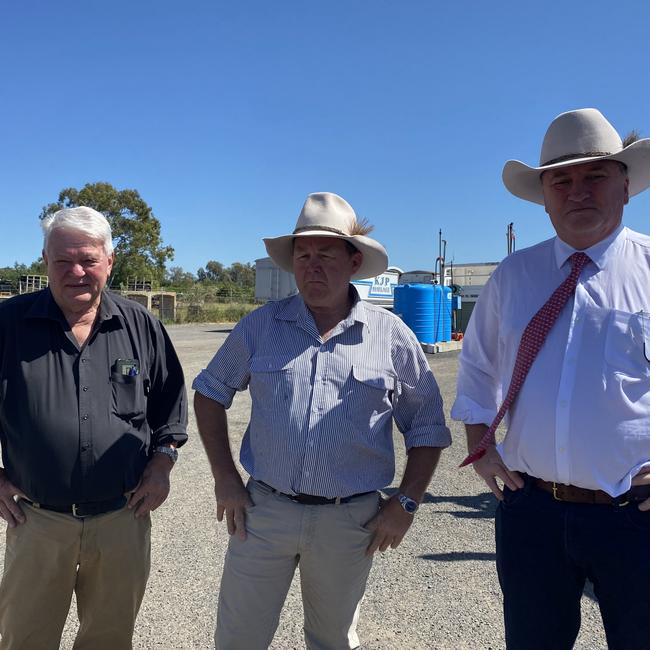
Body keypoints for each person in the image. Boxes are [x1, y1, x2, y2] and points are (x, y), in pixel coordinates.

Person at [193, 191, 451, 650]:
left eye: (325, 254)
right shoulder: (260, 326)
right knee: (238, 638)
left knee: (333, 640)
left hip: (348, 519)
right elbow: (210, 393)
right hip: (263, 512)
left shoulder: (390, 336)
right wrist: (225, 478)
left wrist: (406, 503)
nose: (312, 266)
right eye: (303, 254)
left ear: (354, 262)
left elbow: (427, 426)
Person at [452, 108, 650, 649]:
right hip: (532, 512)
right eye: (561, 180)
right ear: (544, 195)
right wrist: (480, 445)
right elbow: (478, 368)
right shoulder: (514, 276)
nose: (577, 191)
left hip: (635, 517)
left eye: (595, 176)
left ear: (626, 186)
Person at [0, 207, 188, 649]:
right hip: (37, 520)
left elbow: (171, 408)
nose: (76, 272)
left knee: (108, 638)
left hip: (122, 520)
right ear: (44, 261)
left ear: (110, 260)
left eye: (87, 259)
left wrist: (162, 465)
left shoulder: (141, 326)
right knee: (24, 638)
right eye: (63, 261)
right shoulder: (8, 324)